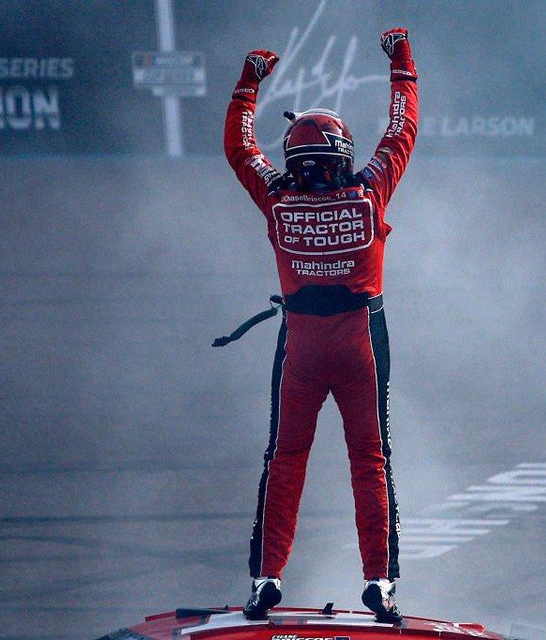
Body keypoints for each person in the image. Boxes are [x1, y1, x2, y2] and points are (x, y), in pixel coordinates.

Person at [223, 28, 418, 622]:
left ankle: (266, 579)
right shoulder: (369, 192)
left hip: (301, 348)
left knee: (286, 458)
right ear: (343, 159)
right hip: (362, 342)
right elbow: (402, 130)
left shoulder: (277, 198)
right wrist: (401, 66)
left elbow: (239, 147)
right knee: (370, 458)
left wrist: (249, 82)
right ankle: (381, 584)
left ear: (293, 162)